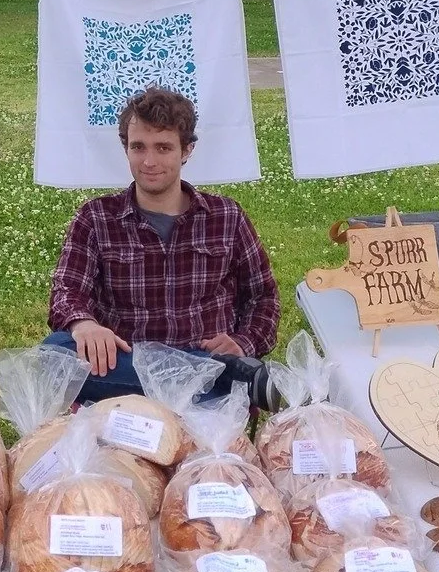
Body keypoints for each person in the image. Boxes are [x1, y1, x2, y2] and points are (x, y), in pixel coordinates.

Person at [42, 86, 279, 403]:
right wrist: (84, 325)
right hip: (128, 367)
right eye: (138, 147)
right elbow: (66, 290)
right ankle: (221, 380)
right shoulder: (96, 217)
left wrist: (244, 342)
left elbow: (263, 297)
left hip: (201, 353)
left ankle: (213, 379)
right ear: (126, 148)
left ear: (187, 150)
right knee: (54, 353)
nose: (149, 161)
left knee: (211, 376)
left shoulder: (226, 216)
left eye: (163, 148)